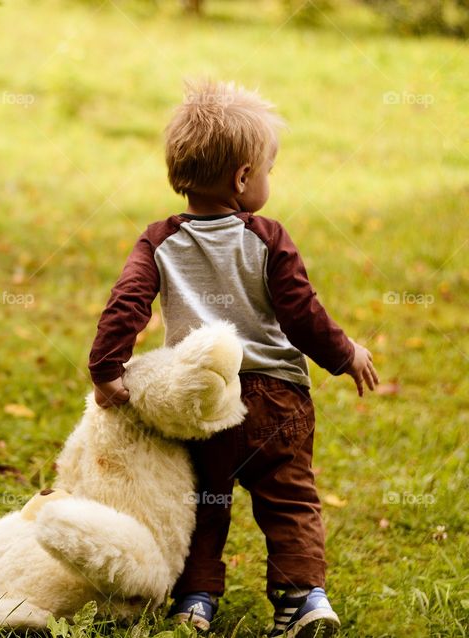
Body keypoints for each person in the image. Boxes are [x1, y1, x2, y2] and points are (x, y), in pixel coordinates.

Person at [87, 80, 378, 637]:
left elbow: (125, 306)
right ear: (244, 178)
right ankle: (303, 598)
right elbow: (302, 315)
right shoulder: (268, 237)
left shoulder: (157, 242)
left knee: (204, 503)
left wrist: (107, 372)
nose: (269, 178)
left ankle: (195, 602)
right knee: (290, 500)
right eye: (269, 167)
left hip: (203, 404)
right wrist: (346, 354)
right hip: (279, 402)